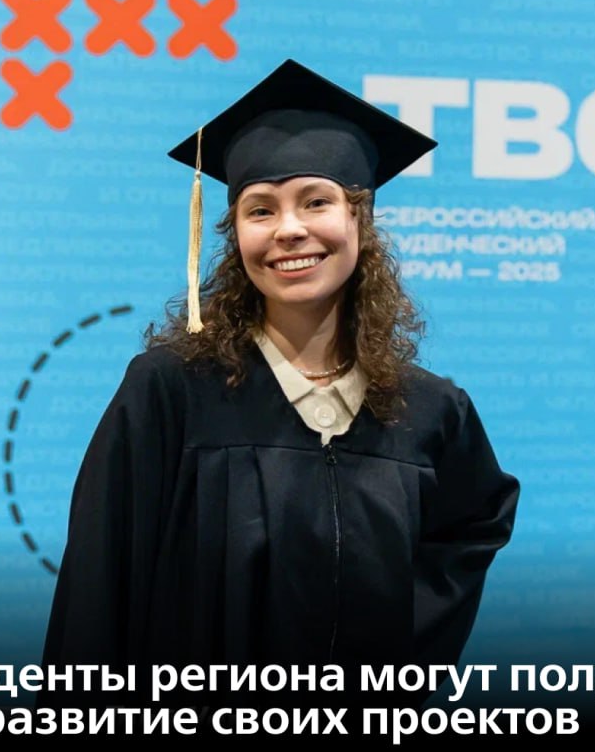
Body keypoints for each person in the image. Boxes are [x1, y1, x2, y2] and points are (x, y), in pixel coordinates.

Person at [40, 59, 520, 714]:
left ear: (360, 221)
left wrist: (393, 664)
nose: (289, 229)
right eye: (260, 210)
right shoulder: (172, 392)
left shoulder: (429, 410)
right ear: (235, 235)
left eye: (316, 202)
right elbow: (99, 585)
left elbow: (471, 528)